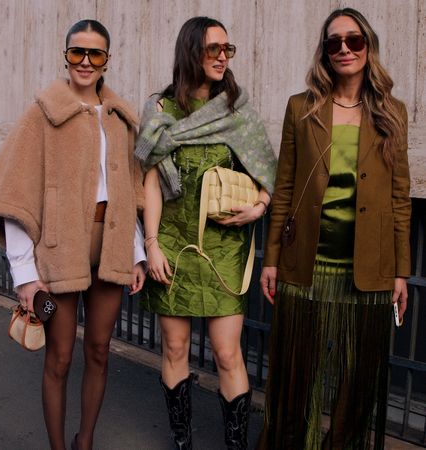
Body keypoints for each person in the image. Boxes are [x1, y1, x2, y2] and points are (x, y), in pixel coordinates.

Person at [0, 20, 145, 450]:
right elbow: (16, 195)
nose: (85, 62)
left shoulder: (121, 118)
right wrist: (25, 274)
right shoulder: (42, 113)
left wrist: (137, 251)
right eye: (77, 53)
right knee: (60, 358)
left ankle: (83, 441)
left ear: (108, 60)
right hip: (57, 252)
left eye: (96, 54)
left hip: (110, 249)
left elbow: (128, 190)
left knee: (100, 352)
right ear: (65, 55)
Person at [258, 7, 410, 450]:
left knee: (356, 383)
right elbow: (285, 186)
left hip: (369, 269)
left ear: (368, 47)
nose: (344, 49)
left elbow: (401, 199)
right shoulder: (301, 108)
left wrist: (401, 270)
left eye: (354, 40)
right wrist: (272, 258)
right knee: (297, 379)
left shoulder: (391, 111)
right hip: (308, 263)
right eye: (333, 42)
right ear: (324, 52)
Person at [135, 16, 276, 450]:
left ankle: (235, 446)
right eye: (212, 48)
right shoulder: (161, 111)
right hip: (173, 245)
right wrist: (151, 244)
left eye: (226, 49)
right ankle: (183, 442)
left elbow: (267, 171)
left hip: (224, 247)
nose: (221, 57)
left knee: (228, 353)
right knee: (175, 349)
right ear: (190, 52)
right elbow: (153, 184)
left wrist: (259, 207)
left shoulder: (236, 109)